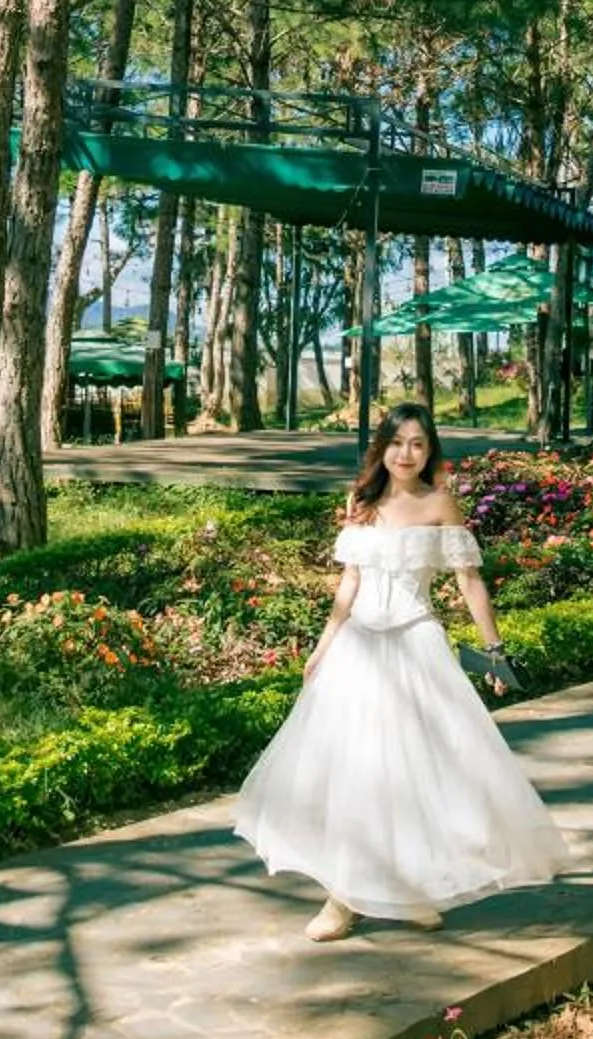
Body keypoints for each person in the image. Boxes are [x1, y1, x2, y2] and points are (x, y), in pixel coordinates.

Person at [233, 400, 573, 941]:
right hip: (360, 647)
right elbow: (350, 584)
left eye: (418, 443)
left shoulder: (441, 504)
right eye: (397, 443)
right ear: (382, 447)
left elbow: (470, 582)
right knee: (356, 771)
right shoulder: (361, 502)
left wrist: (495, 648)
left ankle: (411, 889)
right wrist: (324, 647)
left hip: (417, 642)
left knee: (420, 771)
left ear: (430, 448)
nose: (406, 453)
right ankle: (343, 899)